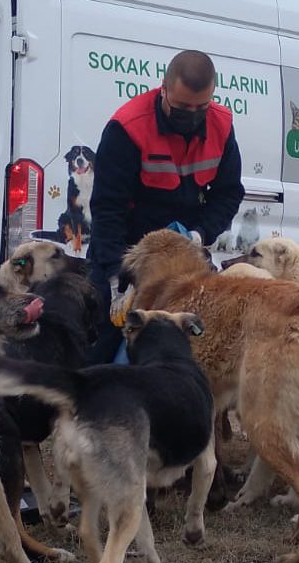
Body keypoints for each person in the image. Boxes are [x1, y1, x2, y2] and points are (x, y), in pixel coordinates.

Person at [86, 49, 245, 363]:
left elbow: (228, 194)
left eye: (202, 106)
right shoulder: (129, 128)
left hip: (182, 259)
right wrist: (116, 276)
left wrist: (199, 235)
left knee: (185, 354)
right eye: (183, 106)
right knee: (102, 345)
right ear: (164, 88)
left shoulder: (221, 127)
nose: (193, 114)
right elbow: (107, 209)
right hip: (127, 251)